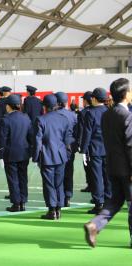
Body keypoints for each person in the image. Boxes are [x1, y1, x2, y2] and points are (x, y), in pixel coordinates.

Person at [84, 78, 132, 248]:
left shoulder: (107, 114)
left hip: (112, 165)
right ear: (126, 94)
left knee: (115, 201)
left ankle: (95, 225)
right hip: (127, 168)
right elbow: (130, 145)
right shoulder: (126, 115)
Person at [33, 94, 71, 220]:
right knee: (59, 183)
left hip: (47, 155)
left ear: (44, 106)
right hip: (61, 155)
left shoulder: (41, 119)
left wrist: (35, 157)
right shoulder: (64, 119)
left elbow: (38, 140)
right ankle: (59, 209)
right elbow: (67, 140)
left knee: (49, 183)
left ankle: (51, 210)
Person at [0, 94, 33, 212]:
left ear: (8, 106)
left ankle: (16, 203)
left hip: (10, 153)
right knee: (23, 177)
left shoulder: (5, 119)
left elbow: (2, 139)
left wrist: (0, 155)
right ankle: (23, 202)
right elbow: (30, 136)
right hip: (24, 152)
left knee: (13, 179)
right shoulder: (26, 118)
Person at [80, 88, 111, 214]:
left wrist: (83, 150)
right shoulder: (110, 111)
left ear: (94, 99)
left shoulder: (90, 113)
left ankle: (99, 204)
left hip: (95, 149)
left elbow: (87, 133)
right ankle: (109, 201)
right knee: (107, 176)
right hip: (109, 149)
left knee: (97, 177)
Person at [55, 92, 78, 207]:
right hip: (70, 147)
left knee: (58, 172)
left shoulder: (53, 114)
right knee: (69, 171)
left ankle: (60, 197)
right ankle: (68, 196)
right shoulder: (73, 115)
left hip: (57, 147)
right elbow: (76, 131)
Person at [78, 91, 93, 193]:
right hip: (98, 144)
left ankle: (91, 185)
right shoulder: (99, 110)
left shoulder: (83, 113)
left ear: (85, 101)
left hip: (87, 144)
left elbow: (81, 129)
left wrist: (80, 144)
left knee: (87, 165)